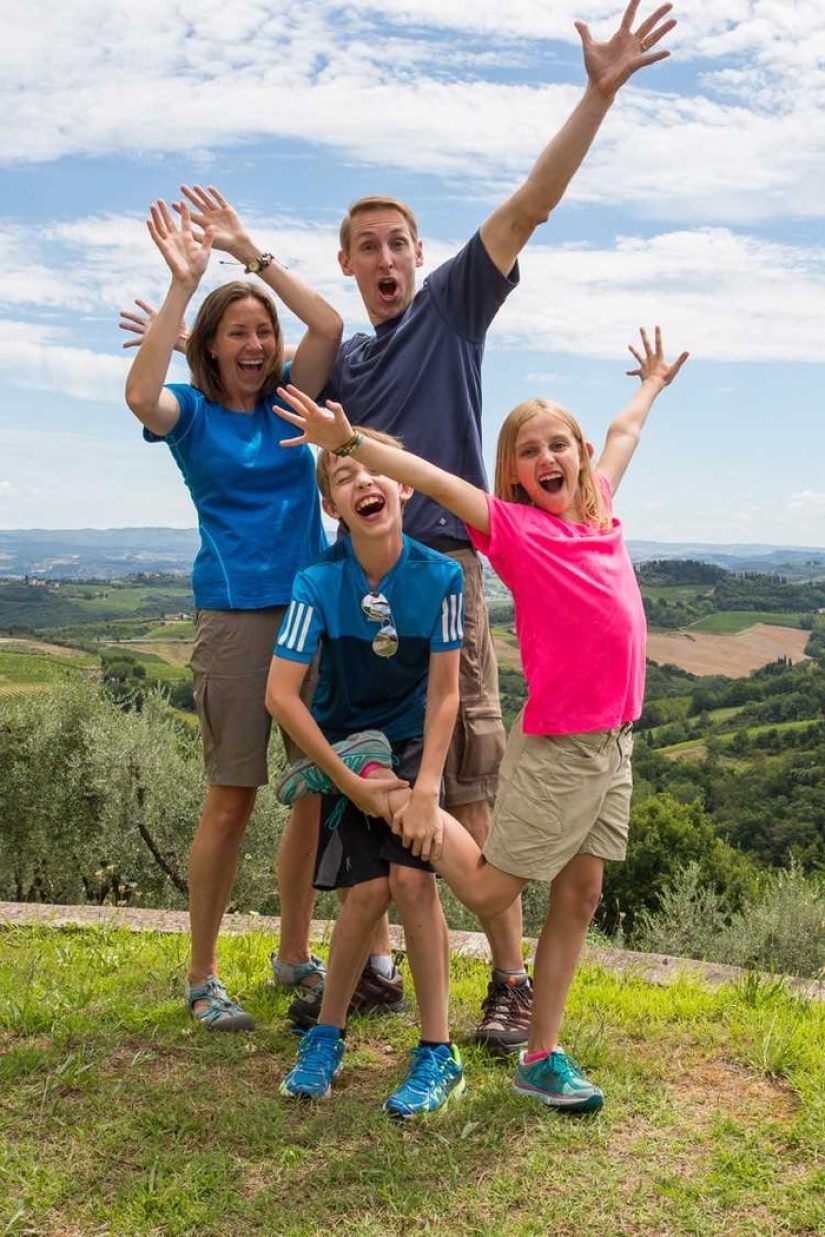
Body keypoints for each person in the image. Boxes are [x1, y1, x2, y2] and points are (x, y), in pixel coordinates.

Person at [264, 0, 679, 1053]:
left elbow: (531, 204)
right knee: (384, 775)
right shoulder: (345, 363)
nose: (388, 255)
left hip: (453, 575)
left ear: (418, 251)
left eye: (399, 239)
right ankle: (387, 959)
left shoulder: (452, 304)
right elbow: (286, 424)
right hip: (360, 592)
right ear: (349, 268)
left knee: (472, 784)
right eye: (368, 248)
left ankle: (504, 981)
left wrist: (598, 93)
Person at [273, 321, 689, 1110]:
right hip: (562, 745)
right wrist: (350, 438)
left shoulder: (598, 517)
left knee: (581, 892)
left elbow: (621, 432)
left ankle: (542, 1054)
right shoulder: (518, 532)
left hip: (614, 744)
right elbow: (425, 473)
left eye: (557, 445)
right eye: (528, 452)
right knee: (493, 893)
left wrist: (650, 384)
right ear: (513, 474)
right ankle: (400, 802)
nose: (547, 459)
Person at [123, 185, 343, 1031]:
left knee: (315, 787)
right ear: (209, 347)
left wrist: (250, 253)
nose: (254, 343)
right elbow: (142, 396)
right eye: (237, 331)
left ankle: (294, 951)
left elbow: (327, 327)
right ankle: (202, 974)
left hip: (313, 613)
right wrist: (183, 282)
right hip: (238, 622)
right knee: (231, 797)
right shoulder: (193, 418)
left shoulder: (293, 396)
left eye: (261, 331)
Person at [265, 427, 466, 1117]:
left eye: (373, 469)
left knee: (413, 879)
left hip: (414, 749)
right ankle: (326, 1035)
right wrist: (346, 784)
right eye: (343, 477)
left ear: (403, 483)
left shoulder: (441, 576)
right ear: (332, 507)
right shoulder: (316, 583)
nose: (363, 483)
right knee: (365, 891)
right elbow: (280, 695)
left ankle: (438, 1051)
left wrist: (427, 786)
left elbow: (445, 694)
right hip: (349, 753)